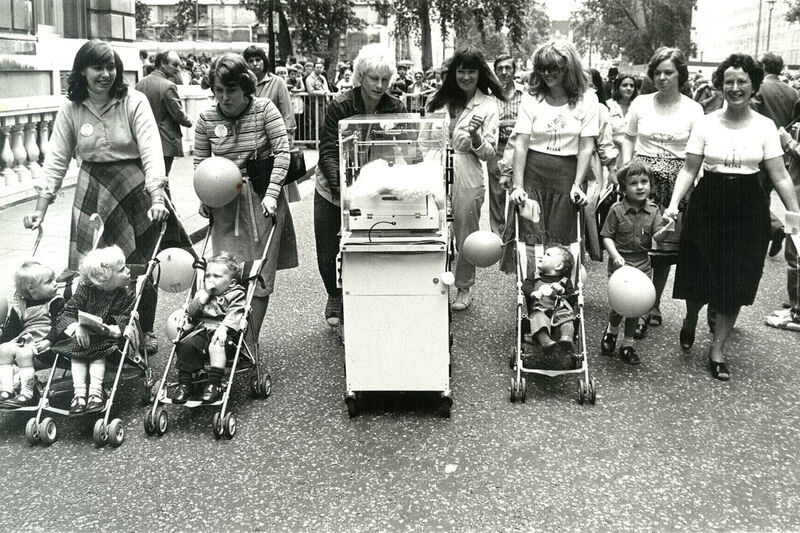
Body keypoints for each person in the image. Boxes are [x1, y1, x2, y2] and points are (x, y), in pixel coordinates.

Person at [24, 39, 169, 356]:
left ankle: (144, 330)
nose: (105, 74)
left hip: (134, 186)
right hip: (92, 189)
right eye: (97, 68)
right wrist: (40, 209)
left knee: (139, 264)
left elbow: (150, 149)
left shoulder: (134, 101)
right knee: (91, 266)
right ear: (82, 72)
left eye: (111, 67)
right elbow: (56, 160)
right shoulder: (71, 108)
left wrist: (157, 194)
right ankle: (96, 332)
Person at [664, 53, 800, 381]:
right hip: (708, 201)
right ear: (721, 85)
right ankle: (691, 318)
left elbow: (780, 176)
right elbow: (689, 169)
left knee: (735, 280)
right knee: (699, 274)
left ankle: (718, 349)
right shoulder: (706, 123)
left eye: (742, 82)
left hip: (748, 206)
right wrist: (673, 204)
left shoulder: (766, 126)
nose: (735, 88)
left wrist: (794, 215)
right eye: (729, 82)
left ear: (753, 86)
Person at [194, 53, 297, 349]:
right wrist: (205, 196)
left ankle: (248, 341)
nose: (224, 97)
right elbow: (201, 163)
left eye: (231, 90)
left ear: (245, 88)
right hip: (225, 203)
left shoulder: (264, 110)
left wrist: (272, 193)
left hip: (261, 201)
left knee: (257, 275)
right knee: (223, 274)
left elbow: (283, 153)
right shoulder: (205, 119)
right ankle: (220, 333)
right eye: (218, 90)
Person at [314, 43, 406, 326]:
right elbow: (328, 151)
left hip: (373, 186)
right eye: (373, 78)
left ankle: (369, 297)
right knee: (329, 251)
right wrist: (343, 190)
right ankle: (335, 293)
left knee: (370, 244)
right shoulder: (340, 105)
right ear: (360, 76)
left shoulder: (396, 106)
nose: (379, 85)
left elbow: (405, 146)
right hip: (333, 188)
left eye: (384, 79)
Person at [621, 47, 703, 337]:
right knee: (637, 243)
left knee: (663, 250)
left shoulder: (694, 109)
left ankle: (651, 303)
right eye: (657, 72)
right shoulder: (641, 103)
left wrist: (680, 197)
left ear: (680, 74)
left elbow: (695, 157)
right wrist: (626, 168)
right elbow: (628, 138)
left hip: (675, 183)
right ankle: (636, 303)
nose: (663, 77)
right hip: (641, 181)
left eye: (669, 72)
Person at [508, 40, 599, 273]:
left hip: (567, 174)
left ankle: (562, 292)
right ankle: (531, 288)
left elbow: (587, 146)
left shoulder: (587, 99)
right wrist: (518, 186)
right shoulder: (532, 97)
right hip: (533, 173)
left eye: (554, 68)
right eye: (542, 68)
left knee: (562, 236)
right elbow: (522, 143)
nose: (547, 74)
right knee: (531, 232)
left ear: (568, 69)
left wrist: (578, 184)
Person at [427, 47, 505, 311]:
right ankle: (431, 282)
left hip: (467, 168)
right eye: (461, 71)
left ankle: (464, 286)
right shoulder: (436, 100)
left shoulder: (488, 104)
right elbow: (422, 138)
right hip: (435, 165)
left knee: (465, 231)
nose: (466, 76)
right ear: (453, 72)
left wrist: (476, 138)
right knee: (431, 224)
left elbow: (489, 153)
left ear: (479, 72)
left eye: (471, 71)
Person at [54, 246, 136, 415]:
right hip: (81, 337)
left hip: (107, 339)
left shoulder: (127, 295)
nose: (128, 271)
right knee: (77, 352)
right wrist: (77, 327)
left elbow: (124, 318)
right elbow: (67, 313)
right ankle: (79, 394)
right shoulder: (85, 290)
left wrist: (109, 330)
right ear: (104, 278)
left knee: (98, 353)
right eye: (122, 269)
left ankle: (95, 392)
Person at [599, 160, 663, 365]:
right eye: (634, 183)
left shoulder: (653, 211)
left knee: (635, 306)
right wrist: (615, 255)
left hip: (643, 265)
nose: (640, 186)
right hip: (621, 265)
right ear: (624, 188)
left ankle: (628, 344)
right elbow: (606, 236)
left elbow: (659, 238)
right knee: (620, 305)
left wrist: (668, 228)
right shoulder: (616, 210)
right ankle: (611, 332)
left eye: (644, 181)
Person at [171, 252, 246, 404]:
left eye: (217, 277)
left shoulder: (236, 294)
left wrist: (224, 328)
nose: (210, 280)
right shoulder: (202, 293)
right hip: (202, 329)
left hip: (225, 334)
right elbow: (191, 312)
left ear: (231, 283)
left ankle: (214, 384)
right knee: (185, 344)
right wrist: (203, 296)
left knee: (216, 345)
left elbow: (235, 314)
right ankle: (185, 383)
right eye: (208, 276)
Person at [752, 52, 800, 258]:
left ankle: (773, 228)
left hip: (758, 152)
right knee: (766, 196)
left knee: (754, 197)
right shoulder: (792, 92)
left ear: (763, 67)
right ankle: (766, 232)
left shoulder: (759, 88)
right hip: (782, 154)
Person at [0, 261, 63, 408]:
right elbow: (13, 330)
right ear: (32, 289)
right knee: (3, 349)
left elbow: (59, 324)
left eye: (54, 280)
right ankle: (7, 388)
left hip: (44, 342)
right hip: (25, 339)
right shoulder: (20, 305)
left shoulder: (56, 302)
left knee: (24, 354)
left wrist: (49, 340)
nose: (55, 284)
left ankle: (27, 393)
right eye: (49, 281)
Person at [135, 50, 193, 176]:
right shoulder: (168, 86)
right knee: (162, 178)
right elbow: (178, 114)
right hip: (165, 141)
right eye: (174, 65)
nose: (178, 69)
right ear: (162, 64)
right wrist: (190, 121)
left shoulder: (139, 84)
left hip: (143, 139)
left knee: (150, 177)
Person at [487, 54, 525, 235]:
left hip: (521, 148)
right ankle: (498, 236)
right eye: (500, 68)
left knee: (518, 189)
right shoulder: (490, 96)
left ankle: (516, 233)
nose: (504, 72)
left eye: (507, 68)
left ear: (514, 70)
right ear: (495, 72)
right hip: (497, 147)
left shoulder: (525, 94)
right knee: (496, 193)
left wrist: (506, 124)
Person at [521, 245, 575, 353]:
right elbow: (525, 287)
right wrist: (532, 293)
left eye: (548, 255)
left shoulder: (565, 281)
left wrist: (562, 291)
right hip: (540, 310)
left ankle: (566, 338)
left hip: (559, 310)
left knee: (568, 319)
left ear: (558, 265)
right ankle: (546, 341)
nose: (541, 256)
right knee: (538, 318)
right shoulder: (534, 277)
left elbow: (572, 299)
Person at [244, 45, 296, 140]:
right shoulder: (243, 84)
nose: (255, 64)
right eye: (250, 61)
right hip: (249, 137)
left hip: (274, 136)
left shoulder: (277, 82)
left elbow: (287, 112)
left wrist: (288, 135)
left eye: (258, 60)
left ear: (264, 61)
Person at [607, 72, 638, 153]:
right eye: (624, 85)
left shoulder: (638, 106)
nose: (629, 88)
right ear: (617, 87)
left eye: (632, 86)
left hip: (634, 153)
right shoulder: (608, 106)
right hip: (612, 154)